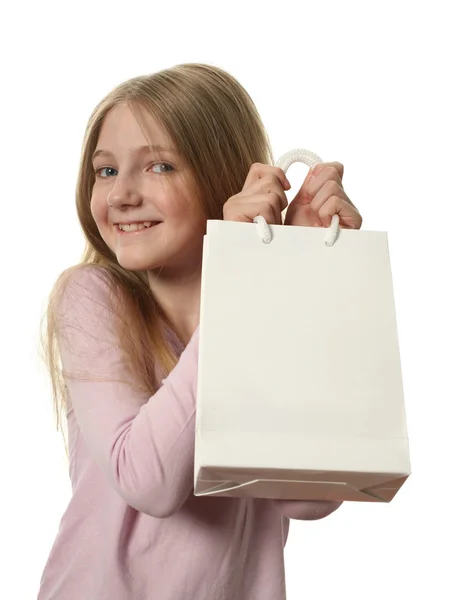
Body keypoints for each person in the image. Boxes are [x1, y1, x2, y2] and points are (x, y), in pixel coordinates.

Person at [38, 62, 363, 599]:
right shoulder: (94, 297)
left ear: (222, 177)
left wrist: (304, 276)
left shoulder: (263, 310)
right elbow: (147, 478)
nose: (121, 194)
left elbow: (310, 496)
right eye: (106, 170)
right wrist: (240, 287)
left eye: (159, 167)